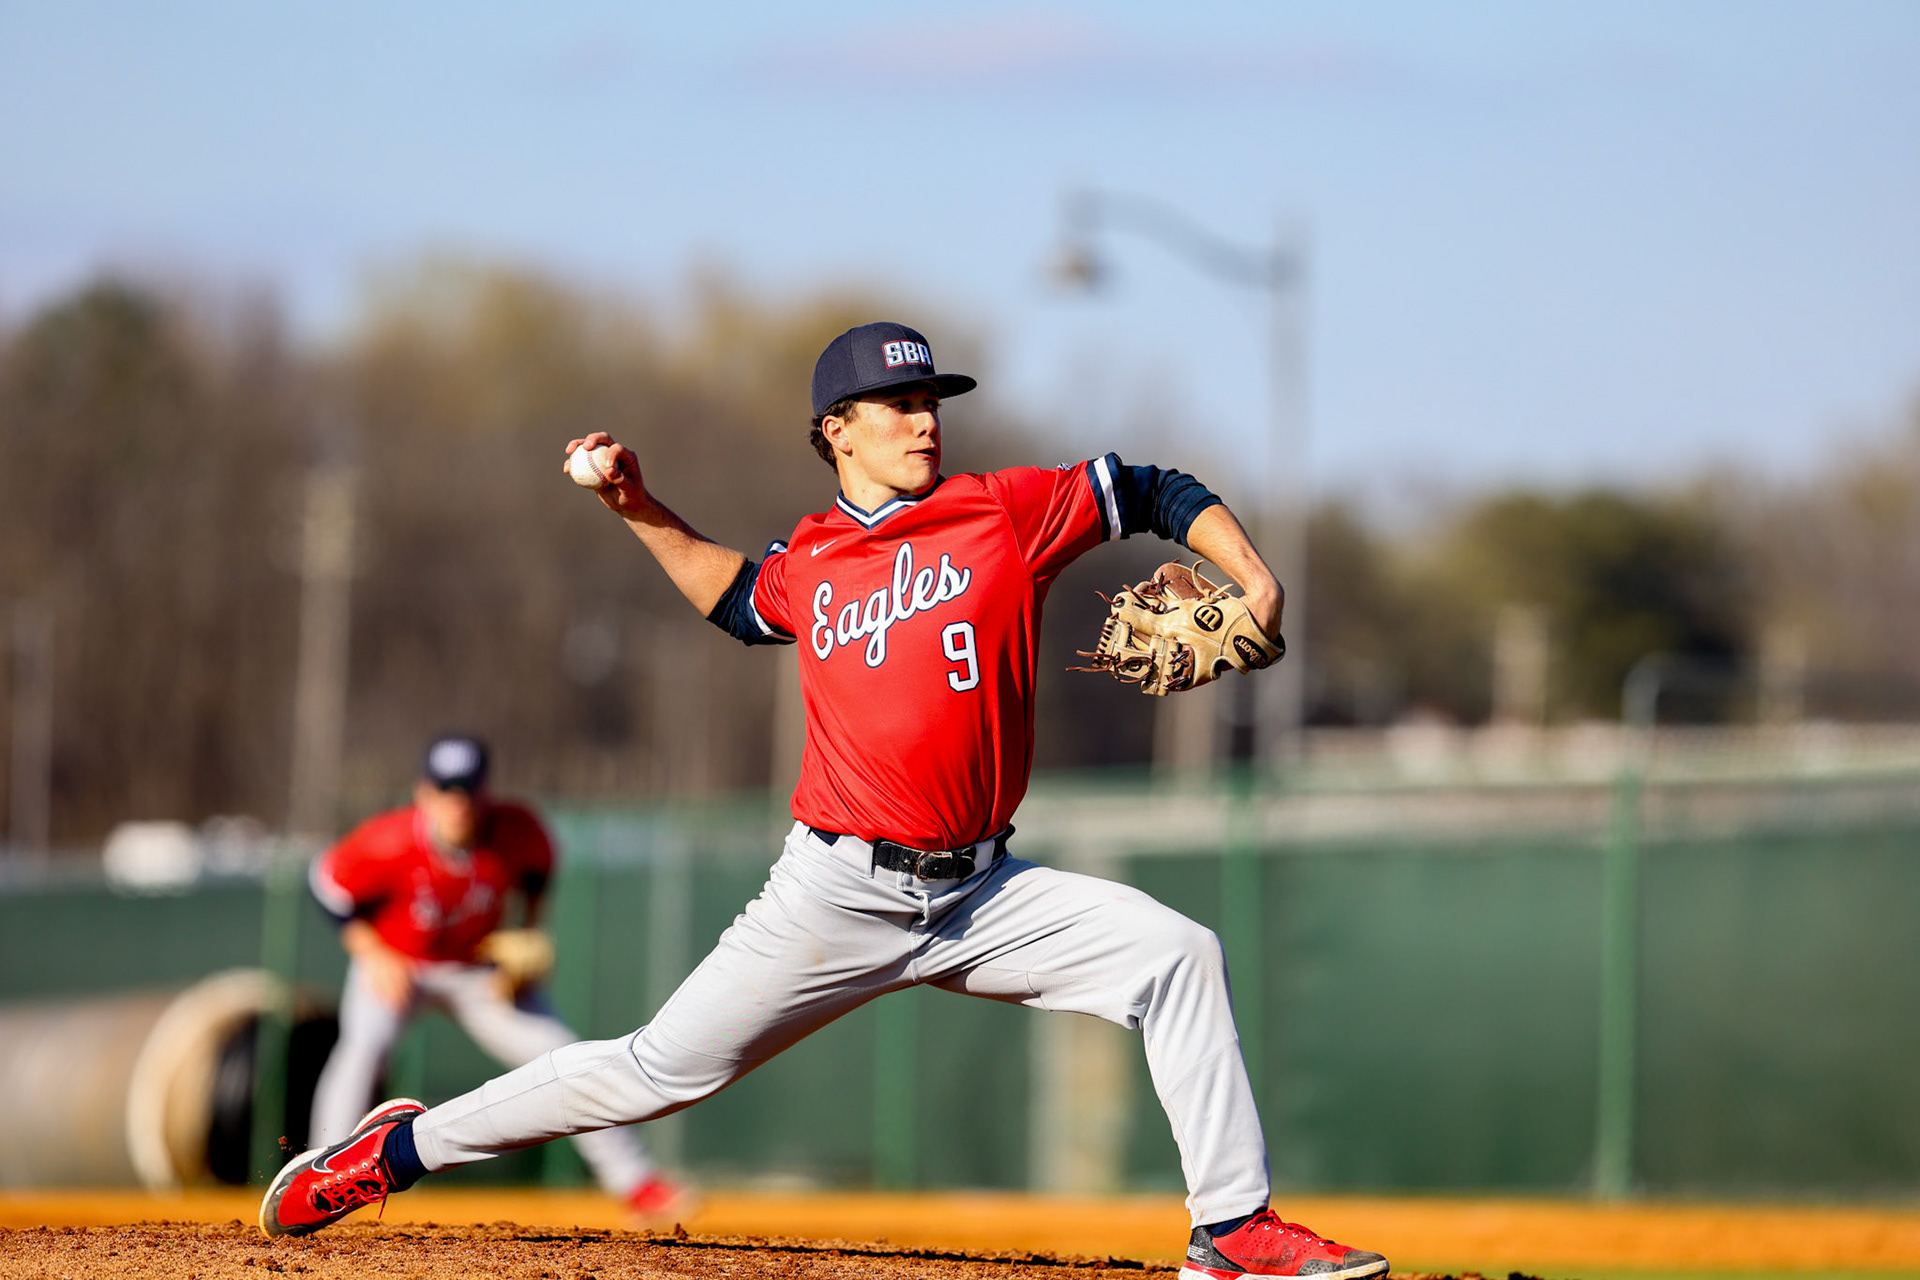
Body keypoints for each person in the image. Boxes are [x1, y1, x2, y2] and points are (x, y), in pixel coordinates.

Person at [263, 323, 1388, 1279]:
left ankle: (1231, 1228)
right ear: (835, 430)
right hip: (836, 891)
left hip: (986, 889)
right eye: (895, 403)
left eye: (931, 400)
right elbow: (735, 597)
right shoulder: (808, 558)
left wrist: (1254, 575)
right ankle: (395, 1152)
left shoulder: (1004, 512)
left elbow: (1152, 488)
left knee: (1176, 952)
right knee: (655, 1072)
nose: (924, 420)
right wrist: (635, 503)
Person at [302, 733, 690, 1221]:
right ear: (424, 792)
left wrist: (529, 936)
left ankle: (636, 1184)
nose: (457, 803)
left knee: (564, 1054)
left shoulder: (518, 831)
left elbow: (537, 879)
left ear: (486, 791)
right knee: (361, 1051)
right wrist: (373, 953)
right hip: (400, 966)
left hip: (477, 973)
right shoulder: (389, 838)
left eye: (466, 790)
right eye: (446, 790)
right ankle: (315, 1175)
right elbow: (326, 884)